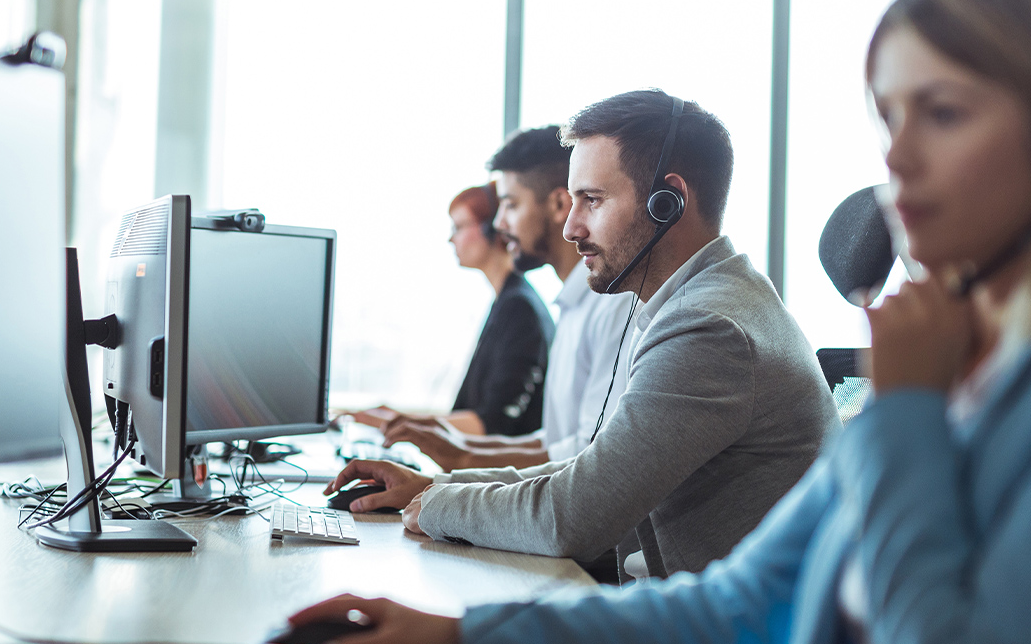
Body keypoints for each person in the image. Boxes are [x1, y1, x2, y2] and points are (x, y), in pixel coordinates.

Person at [289, 0, 1031, 644]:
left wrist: (906, 414)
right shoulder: (959, 368)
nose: (896, 159)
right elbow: (738, 608)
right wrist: (451, 634)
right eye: (888, 118)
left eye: (942, 114)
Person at [327, 92, 838, 581]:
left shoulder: (708, 329)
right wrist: (436, 484)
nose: (571, 228)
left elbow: (572, 517)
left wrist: (435, 504)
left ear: (670, 202)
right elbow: (590, 473)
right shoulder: (712, 300)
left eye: (591, 200)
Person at [378, 126, 638, 471]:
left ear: (559, 204)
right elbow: (554, 442)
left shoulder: (611, 306)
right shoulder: (572, 306)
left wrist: (456, 467)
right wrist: (452, 445)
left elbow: (586, 457)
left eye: (511, 205)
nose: (499, 224)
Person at [350, 184, 553, 437]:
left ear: (493, 229)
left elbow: (491, 423)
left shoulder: (519, 309)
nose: (450, 238)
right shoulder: (505, 302)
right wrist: (395, 417)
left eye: (458, 227)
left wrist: (397, 422)